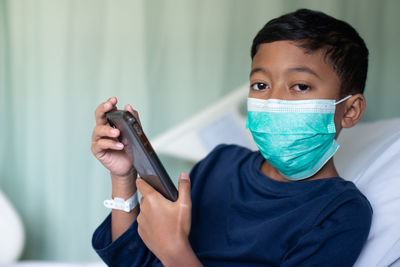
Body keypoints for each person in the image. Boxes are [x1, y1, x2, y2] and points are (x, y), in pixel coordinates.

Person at [91, 8, 372, 267]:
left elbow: (167, 252)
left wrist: (174, 250)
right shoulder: (220, 164)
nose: (273, 100)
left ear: (350, 110)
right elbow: (130, 263)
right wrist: (123, 178)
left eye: (300, 86)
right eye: (261, 85)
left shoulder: (341, 213)